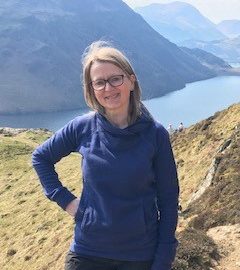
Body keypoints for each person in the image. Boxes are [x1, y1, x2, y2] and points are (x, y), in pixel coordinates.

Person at [32, 41, 179, 270]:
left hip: (139, 256)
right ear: (91, 89)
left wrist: (163, 261)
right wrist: (68, 202)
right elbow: (41, 157)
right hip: (87, 252)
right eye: (99, 82)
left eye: (115, 79)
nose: (108, 89)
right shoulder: (82, 127)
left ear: (131, 80)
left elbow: (168, 201)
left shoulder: (155, 135)